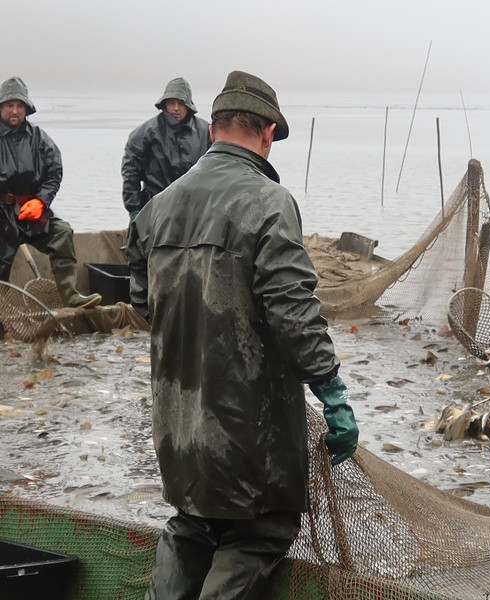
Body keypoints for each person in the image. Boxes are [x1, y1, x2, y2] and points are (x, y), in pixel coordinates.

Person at [127, 70, 359, 599]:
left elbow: (143, 303)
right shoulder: (269, 201)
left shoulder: (157, 207)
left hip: (178, 422)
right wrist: (332, 391)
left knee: (193, 524)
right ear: (269, 133)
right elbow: (293, 311)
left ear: (213, 130)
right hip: (248, 426)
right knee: (261, 531)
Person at [0, 76, 102, 308]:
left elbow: (54, 171)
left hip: (32, 209)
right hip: (1, 213)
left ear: (26, 108)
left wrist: (41, 201)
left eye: (19, 106)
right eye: (9, 105)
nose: (14, 110)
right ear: (1, 107)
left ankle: (71, 296)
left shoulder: (39, 138)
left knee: (62, 233)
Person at [121, 77, 211, 220]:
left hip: (196, 209)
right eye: (171, 103)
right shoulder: (145, 133)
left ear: (188, 105)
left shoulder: (206, 131)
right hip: (156, 209)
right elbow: (130, 172)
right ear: (164, 104)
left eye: (180, 103)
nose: (175, 108)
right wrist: (134, 209)